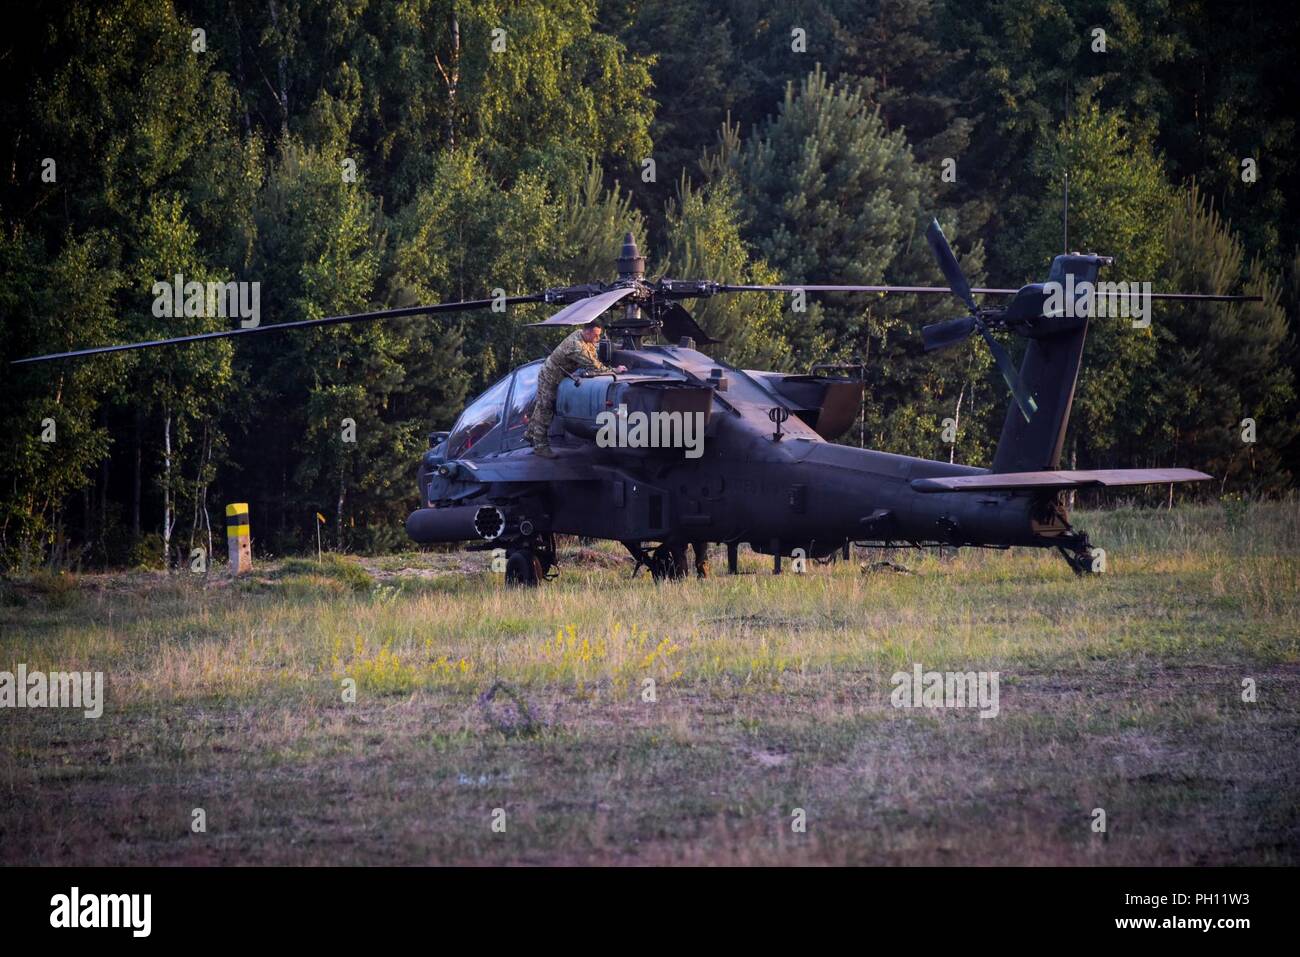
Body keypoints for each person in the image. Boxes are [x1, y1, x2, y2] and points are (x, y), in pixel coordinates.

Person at [526, 321, 626, 457]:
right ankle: (540, 446)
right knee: (546, 408)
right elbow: (594, 365)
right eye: (596, 336)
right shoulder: (576, 345)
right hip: (551, 376)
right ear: (588, 332)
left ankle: (530, 434)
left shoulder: (582, 336)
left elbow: (592, 354)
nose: (597, 339)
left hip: (561, 374)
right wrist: (615, 370)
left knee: (541, 406)